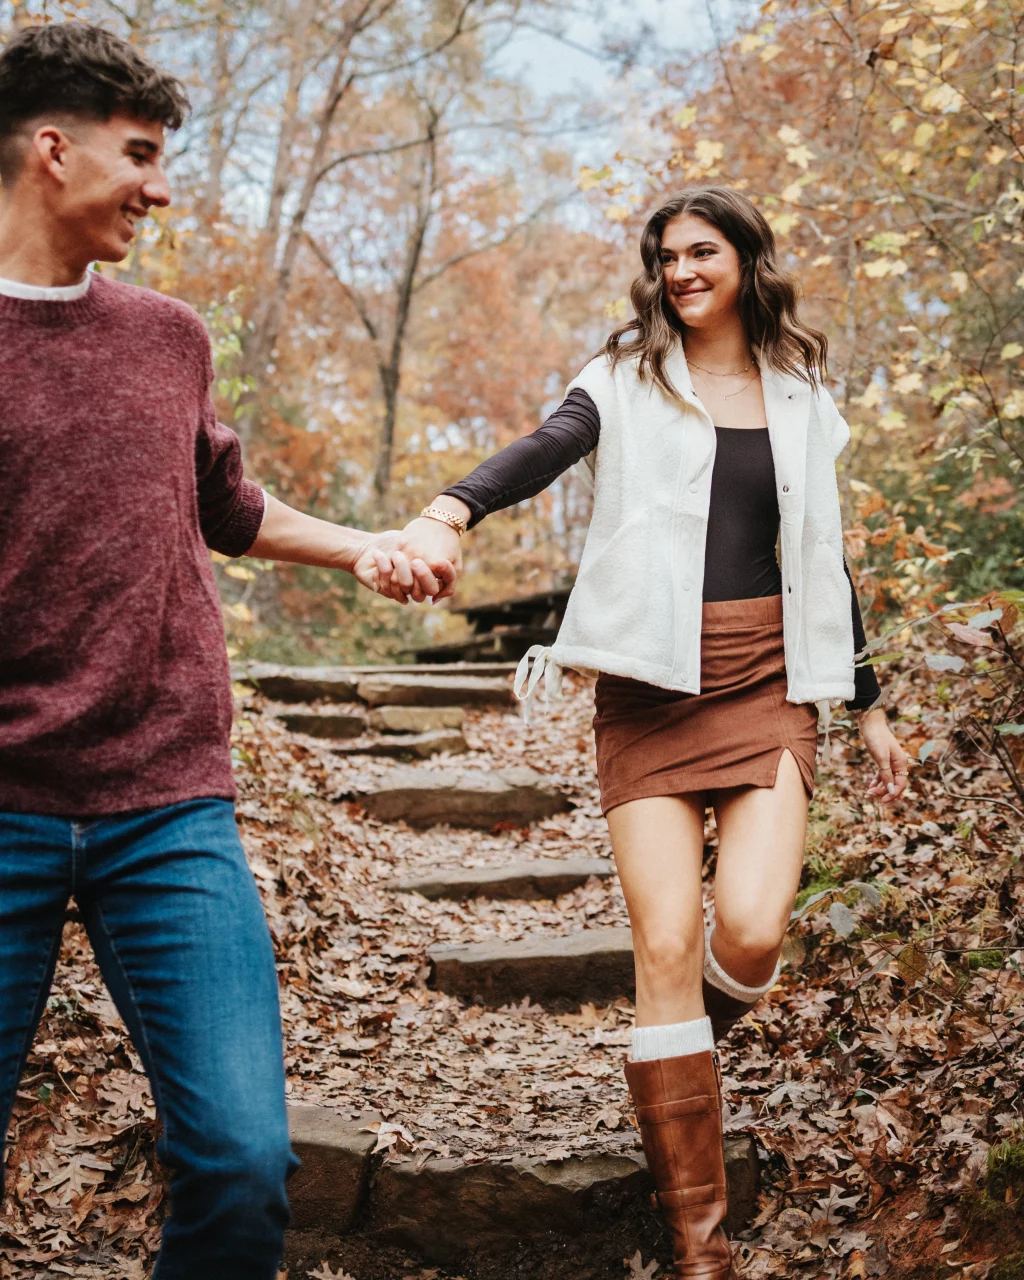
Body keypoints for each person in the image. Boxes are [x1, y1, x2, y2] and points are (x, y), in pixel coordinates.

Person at [386, 187, 910, 1278]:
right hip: (648, 687)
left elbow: (823, 557)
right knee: (665, 944)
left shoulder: (804, 392)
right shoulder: (622, 378)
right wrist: (452, 506)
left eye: (701, 251)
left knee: (752, 932)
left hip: (768, 677)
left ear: (745, 258)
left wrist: (868, 704)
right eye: (665, 256)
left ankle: (676, 1048)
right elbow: (548, 444)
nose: (680, 271)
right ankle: (697, 1241)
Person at [0, 22, 450, 1279]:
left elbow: (228, 507)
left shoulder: (166, 336)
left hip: (167, 805)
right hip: (3, 806)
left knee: (245, 1166)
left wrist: (363, 544)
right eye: (138, 154)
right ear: (51, 150)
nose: (159, 183)